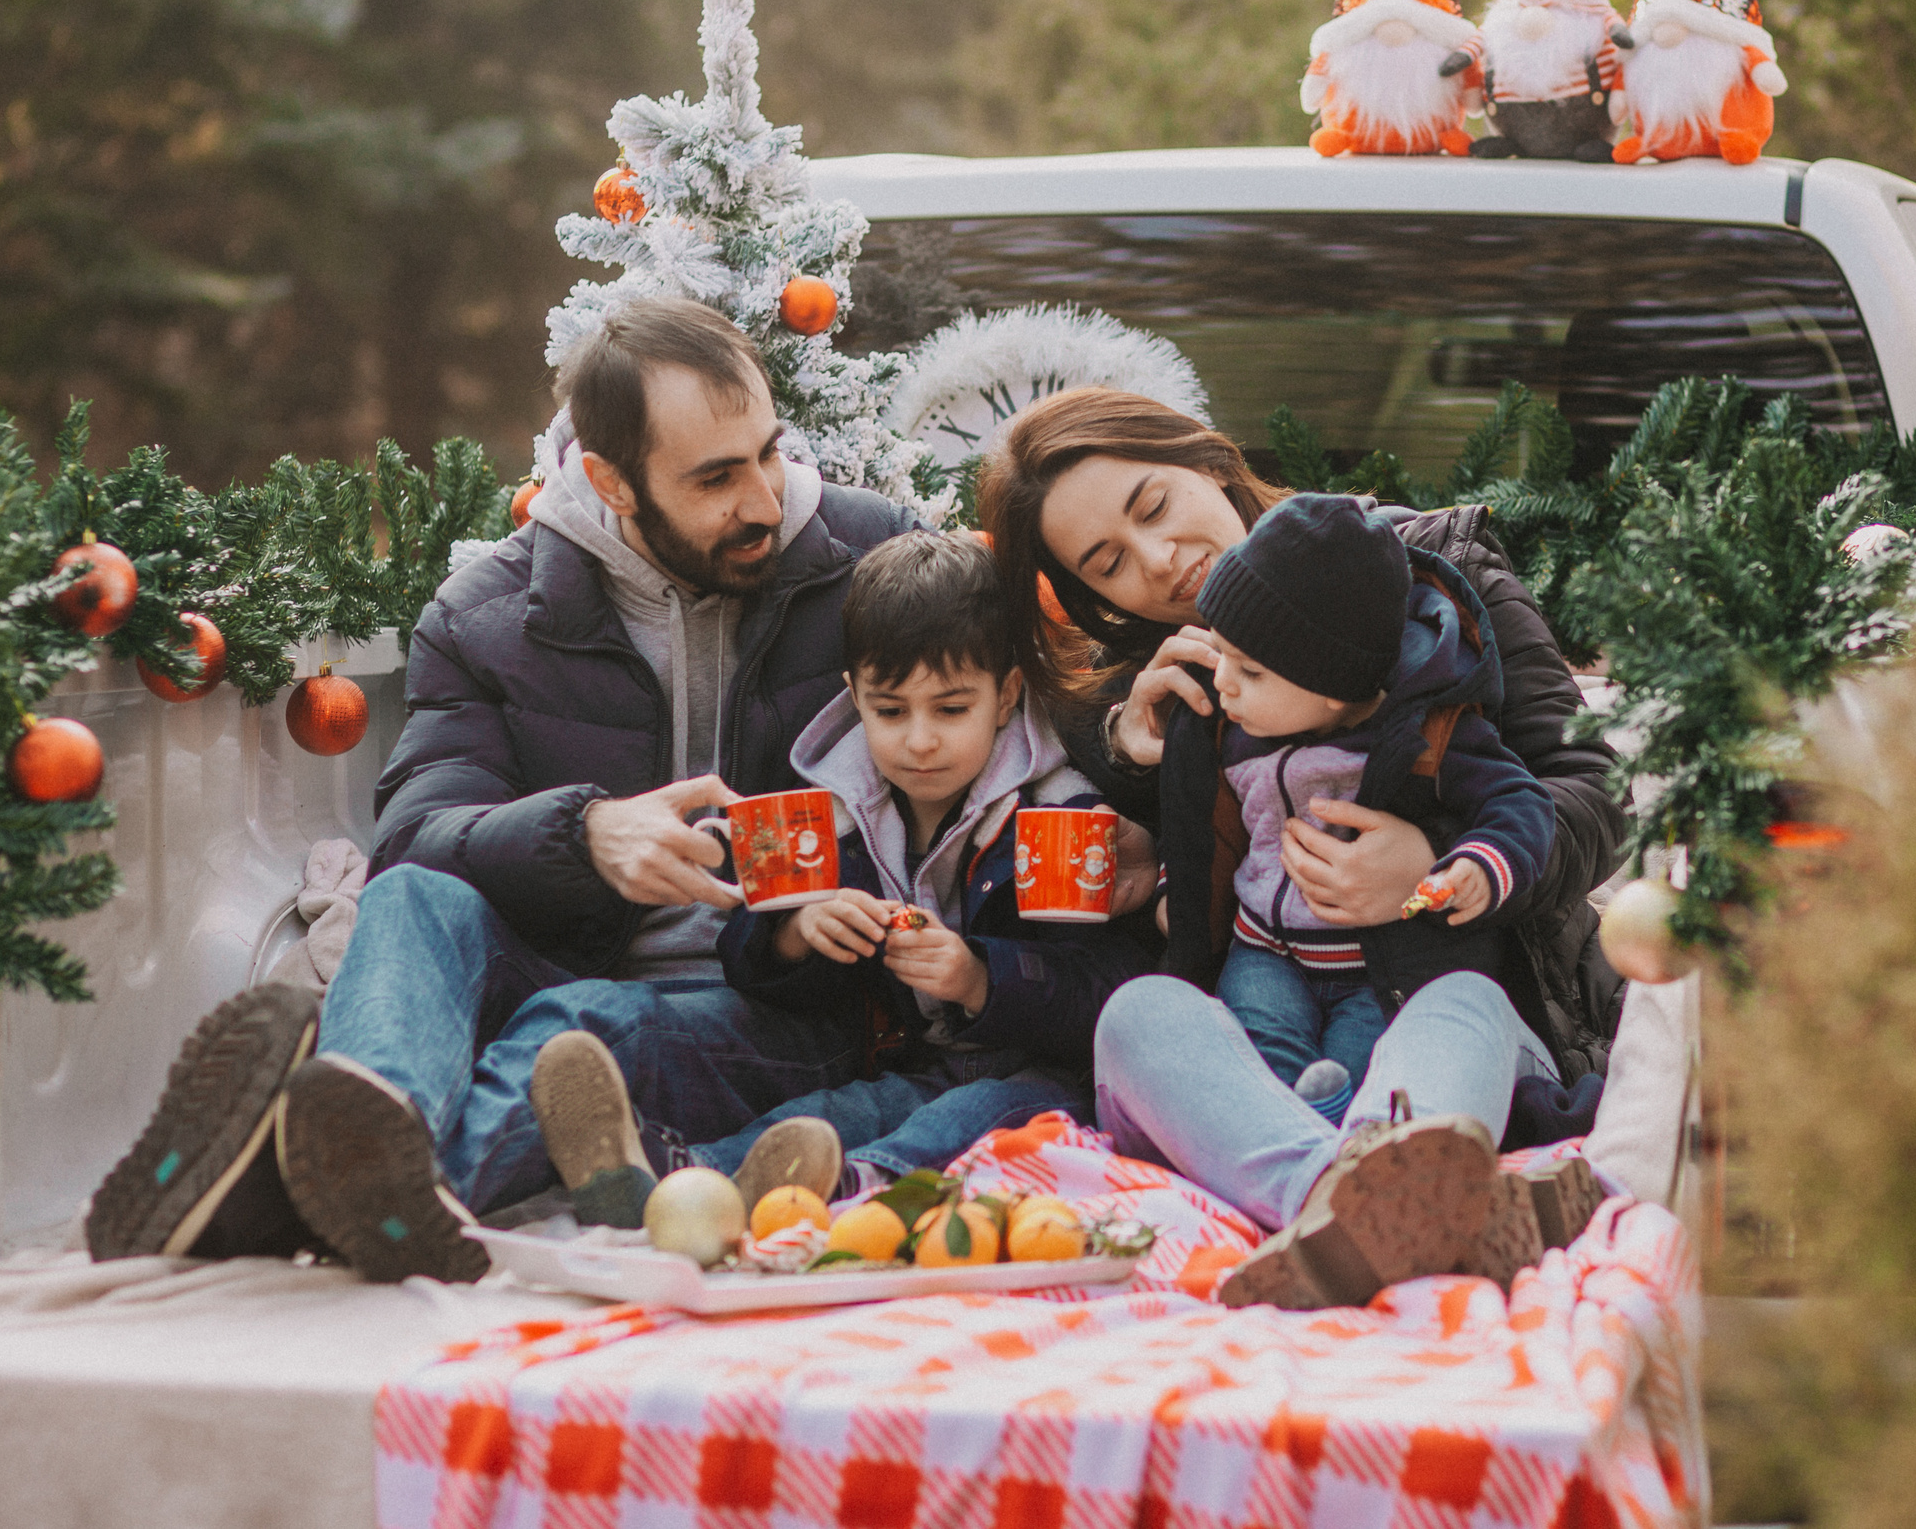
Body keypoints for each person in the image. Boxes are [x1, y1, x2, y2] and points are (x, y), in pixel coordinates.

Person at [87, 297, 942, 1282]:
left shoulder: (870, 559)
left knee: (573, 1030)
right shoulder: (487, 614)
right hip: (567, 967)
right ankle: (374, 1126)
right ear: (611, 481)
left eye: (767, 453)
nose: (763, 500)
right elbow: (416, 836)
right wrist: (584, 838)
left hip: (782, 1004)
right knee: (412, 897)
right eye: (715, 478)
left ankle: (308, 1195)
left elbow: (994, 716)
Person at [976, 388, 1627, 1308]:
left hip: (1451, 1006)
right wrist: (1134, 753)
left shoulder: (1432, 572)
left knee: (1463, 1008)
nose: (1160, 562)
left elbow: (1592, 790)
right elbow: (1181, 884)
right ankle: (1345, 1200)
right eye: (1109, 563)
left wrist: (1434, 869)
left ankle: (1325, 1197)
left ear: (1206, 459)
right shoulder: (1168, 682)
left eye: (1155, 506)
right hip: (1267, 1039)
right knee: (1136, 1018)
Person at [524, 531, 1160, 1220]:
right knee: (840, 1108)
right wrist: (797, 931)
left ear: (1005, 695)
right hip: (886, 1054)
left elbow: (1113, 994)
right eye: (890, 710)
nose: (918, 739)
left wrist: (979, 976)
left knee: (976, 1111)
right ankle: (679, 1180)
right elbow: (742, 948)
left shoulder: (1062, 812)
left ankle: (845, 1186)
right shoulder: (823, 800)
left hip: (1038, 1070)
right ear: (855, 694)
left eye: (951, 709)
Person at [1162, 494, 1556, 1126]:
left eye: (1251, 670)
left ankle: (1338, 1140)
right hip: (1263, 950)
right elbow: (1197, 831)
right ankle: (1296, 1136)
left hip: (1381, 967)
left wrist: (1478, 865)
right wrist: (1170, 894)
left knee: (1358, 1065)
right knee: (1259, 1047)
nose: (1224, 683)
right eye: (1220, 656)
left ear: (1334, 688)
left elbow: (1520, 800)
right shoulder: (1226, 728)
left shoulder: (1429, 735)